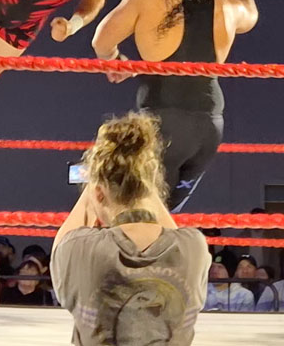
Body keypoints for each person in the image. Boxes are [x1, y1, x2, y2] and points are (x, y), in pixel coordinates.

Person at [92, 0, 258, 211]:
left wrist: (116, 61)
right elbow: (250, 8)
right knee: (168, 215)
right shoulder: (227, 7)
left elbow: (101, 41)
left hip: (162, 122)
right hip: (208, 129)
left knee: (138, 212)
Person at [51, 112, 211, 346]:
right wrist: (146, 177)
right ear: (149, 187)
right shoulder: (193, 247)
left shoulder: (79, 250)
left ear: (98, 193)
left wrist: (96, 180)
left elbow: (60, 247)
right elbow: (168, 229)